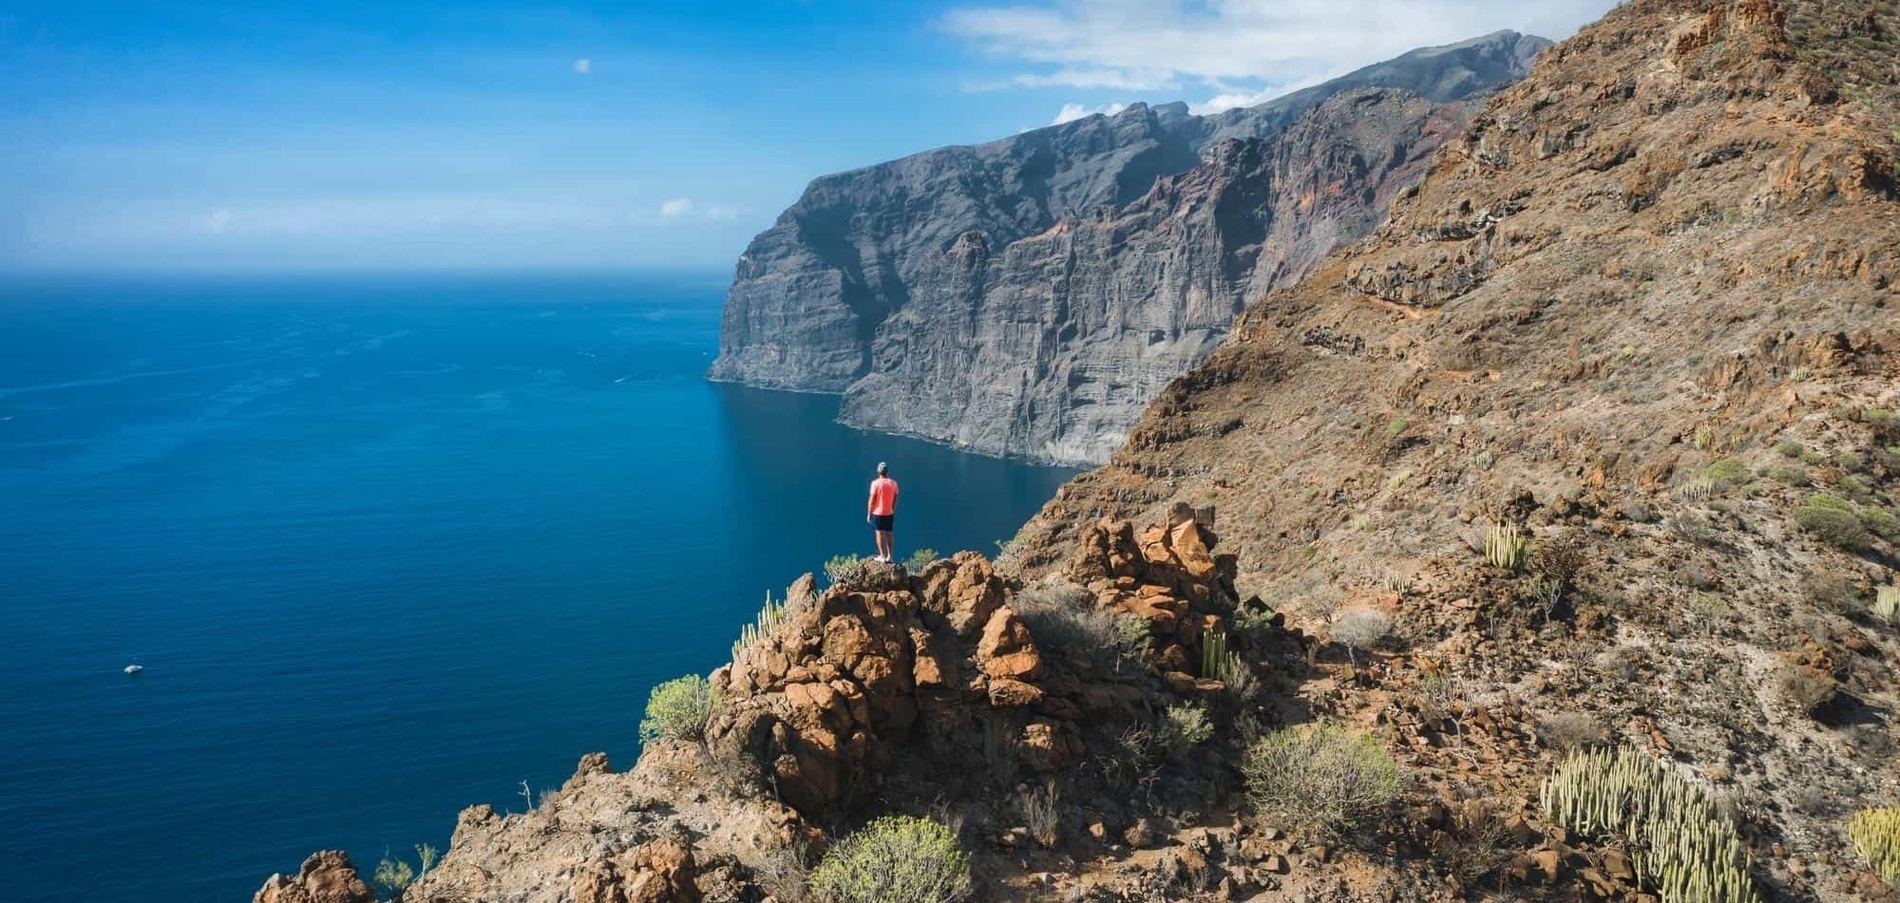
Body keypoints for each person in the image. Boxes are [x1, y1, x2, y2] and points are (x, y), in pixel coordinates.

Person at [867, 462, 899, 563]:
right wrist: (892, 508)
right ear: (887, 471)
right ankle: (890, 556)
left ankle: (882, 556)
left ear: (878, 471)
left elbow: (872, 499)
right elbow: (895, 496)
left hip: (878, 513)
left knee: (879, 533)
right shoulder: (893, 483)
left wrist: (869, 513)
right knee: (889, 533)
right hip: (889, 512)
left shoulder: (875, 483)